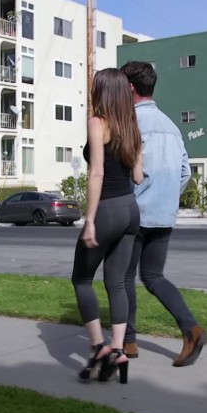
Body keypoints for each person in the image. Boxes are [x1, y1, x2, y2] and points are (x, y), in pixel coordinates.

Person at [120, 60, 207, 367]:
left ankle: (128, 340)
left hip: (135, 213)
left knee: (124, 277)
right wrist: (166, 196)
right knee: (154, 276)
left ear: (129, 87)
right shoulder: (171, 125)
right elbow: (185, 172)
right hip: (164, 214)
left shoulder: (130, 122)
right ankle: (191, 328)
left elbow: (123, 171)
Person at [72, 68, 144, 384]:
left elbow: (97, 173)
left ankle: (98, 346)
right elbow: (139, 176)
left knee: (82, 280)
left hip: (108, 211)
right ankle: (119, 350)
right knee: (116, 283)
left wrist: (89, 220)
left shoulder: (97, 124)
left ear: (101, 92)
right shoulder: (132, 127)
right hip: (131, 210)